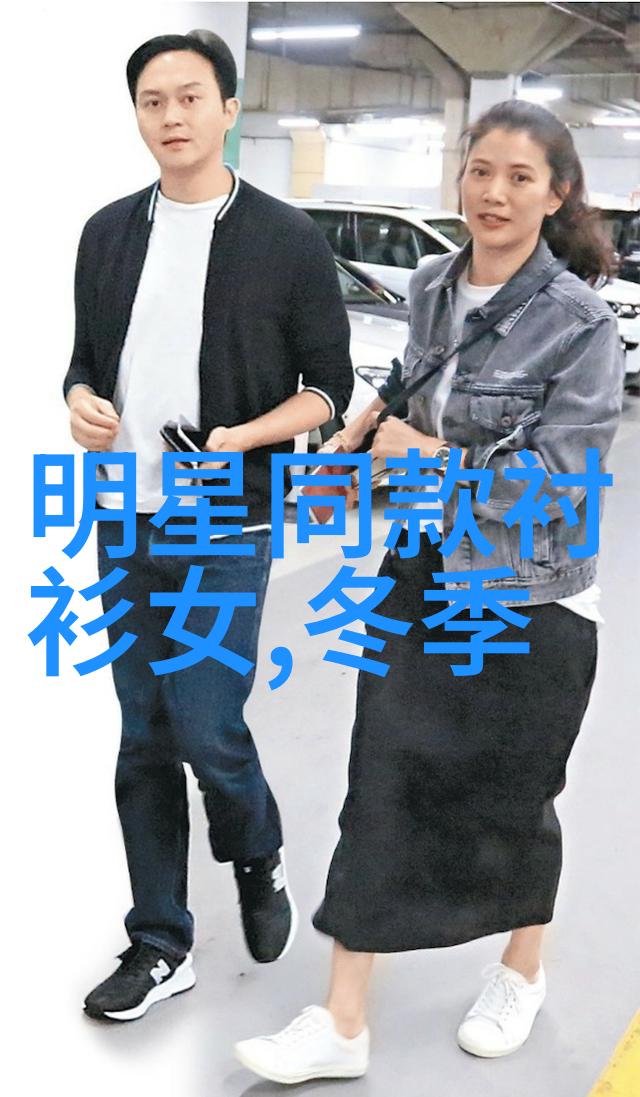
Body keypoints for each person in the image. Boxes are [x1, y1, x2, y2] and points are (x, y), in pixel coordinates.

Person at [234, 100, 625, 1083]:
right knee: (379, 782)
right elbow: (409, 380)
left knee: (514, 793)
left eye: (519, 177)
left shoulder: (580, 324)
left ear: (557, 194)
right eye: (480, 171)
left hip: (528, 593)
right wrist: (350, 445)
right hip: (421, 565)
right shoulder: (433, 283)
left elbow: (566, 484)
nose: (494, 193)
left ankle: (520, 969)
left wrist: (435, 460)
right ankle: (342, 1019)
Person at [64, 30, 352, 1022]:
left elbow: (328, 389)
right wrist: (81, 402)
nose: (171, 116)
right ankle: (160, 941)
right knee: (142, 731)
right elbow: (86, 360)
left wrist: (242, 437)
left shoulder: (286, 238)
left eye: (190, 97)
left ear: (229, 108)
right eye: (153, 101)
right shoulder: (107, 232)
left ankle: (256, 845)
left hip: (223, 512)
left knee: (204, 721)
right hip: (123, 510)